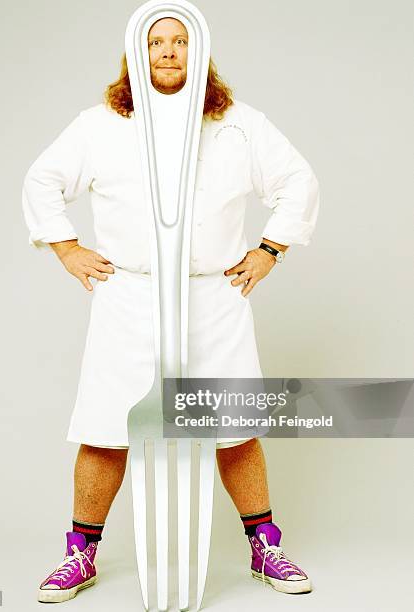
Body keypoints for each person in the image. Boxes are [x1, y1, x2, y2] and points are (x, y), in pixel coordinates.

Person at [22, 16, 319, 605]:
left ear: (200, 48)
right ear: (136, 50)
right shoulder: (100, 126)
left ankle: (265, 544)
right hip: (129, 298)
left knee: (233, 428)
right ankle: (79, 554)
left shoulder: (238, 124)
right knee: (108, 427)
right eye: (156, 42)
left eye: (180, 40)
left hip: (214, 296)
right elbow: (42, 180)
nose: (168, 52)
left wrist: (270, 249)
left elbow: (298, 181)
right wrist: (66, 246)